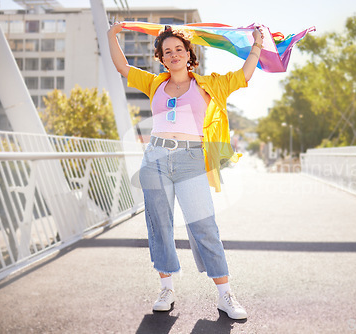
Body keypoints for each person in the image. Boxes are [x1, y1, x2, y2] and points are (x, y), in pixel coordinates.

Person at [107, 22, 264, 320]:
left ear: (189, 53)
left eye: (179, 49)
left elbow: (244, 75)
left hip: (190, 160)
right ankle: (166, 289)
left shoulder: (209, 84)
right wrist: (111, 35)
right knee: (160, 224)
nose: (174, 54)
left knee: (204, 225)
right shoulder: (154, 83)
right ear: (161, 58)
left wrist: (256, 44)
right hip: (155, 159)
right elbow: (122, 67)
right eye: (168, 51)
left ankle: (225, 294)